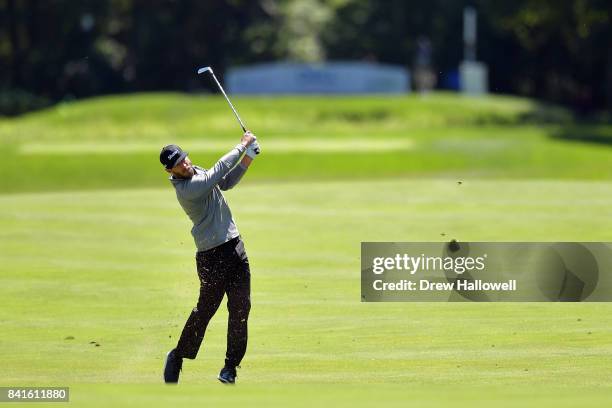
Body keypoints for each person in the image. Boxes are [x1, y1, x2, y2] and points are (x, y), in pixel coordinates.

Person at [159, 131, 260, 384]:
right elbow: (218, 171)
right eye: (178, 165)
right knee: (206, 311)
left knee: (240, 308)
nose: (184, 164)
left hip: (235, 246)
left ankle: (230, 368)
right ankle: (178, 355)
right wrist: (242, 145)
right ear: (170, 171)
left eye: (183, 158)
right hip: (211, 256)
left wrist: (248, 158)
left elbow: (225, 182)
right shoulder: (187, 189)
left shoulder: (196, 172)